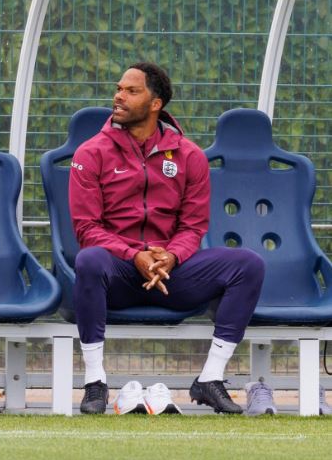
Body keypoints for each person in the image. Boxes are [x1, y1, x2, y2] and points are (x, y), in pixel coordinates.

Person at [68, 62, 265, 415]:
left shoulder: (189, 156)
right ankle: (94, 383)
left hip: (171, 274)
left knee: (247, 264)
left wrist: (169, 257)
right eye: (119, 89)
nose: (119, 96)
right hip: (118, 274)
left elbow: (193, 227)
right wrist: (134, 256)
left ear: (155, 103)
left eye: (131, 91)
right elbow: (87, 229)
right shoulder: (90, 153)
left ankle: (210, 379)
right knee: (88, 259)